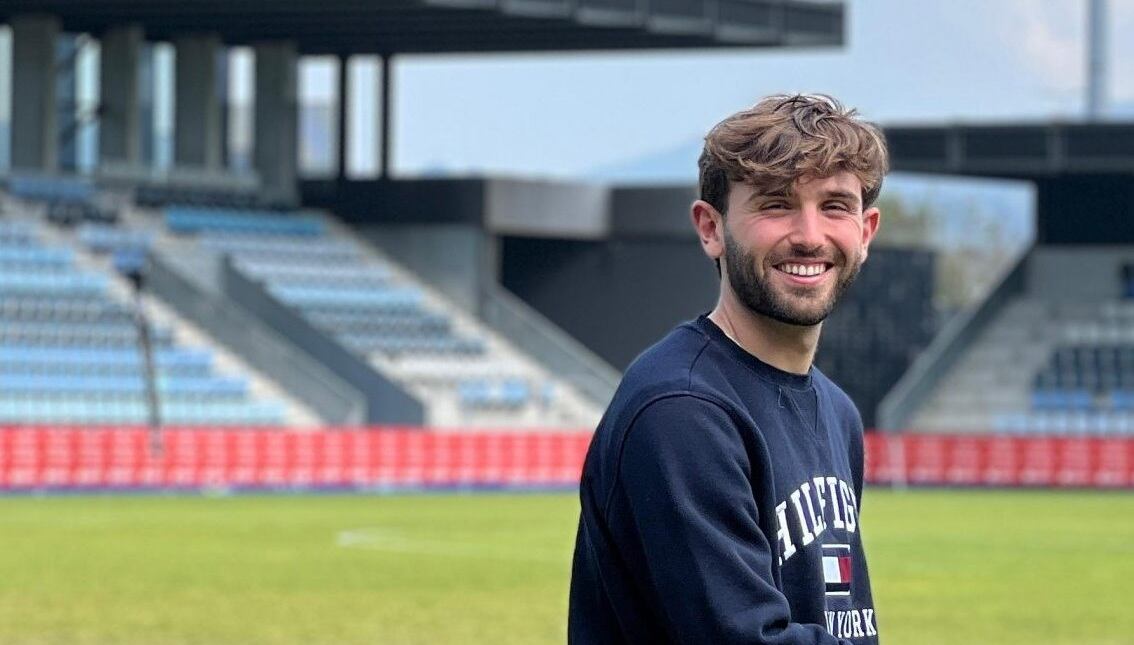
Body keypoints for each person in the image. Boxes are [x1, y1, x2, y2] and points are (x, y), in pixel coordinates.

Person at [568, 94, 886, 644]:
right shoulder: (681, 411)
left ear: (866, 231)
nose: (809, 234)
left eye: (835, 206)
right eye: (775, 204)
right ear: (711, 228)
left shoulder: (836, 411)